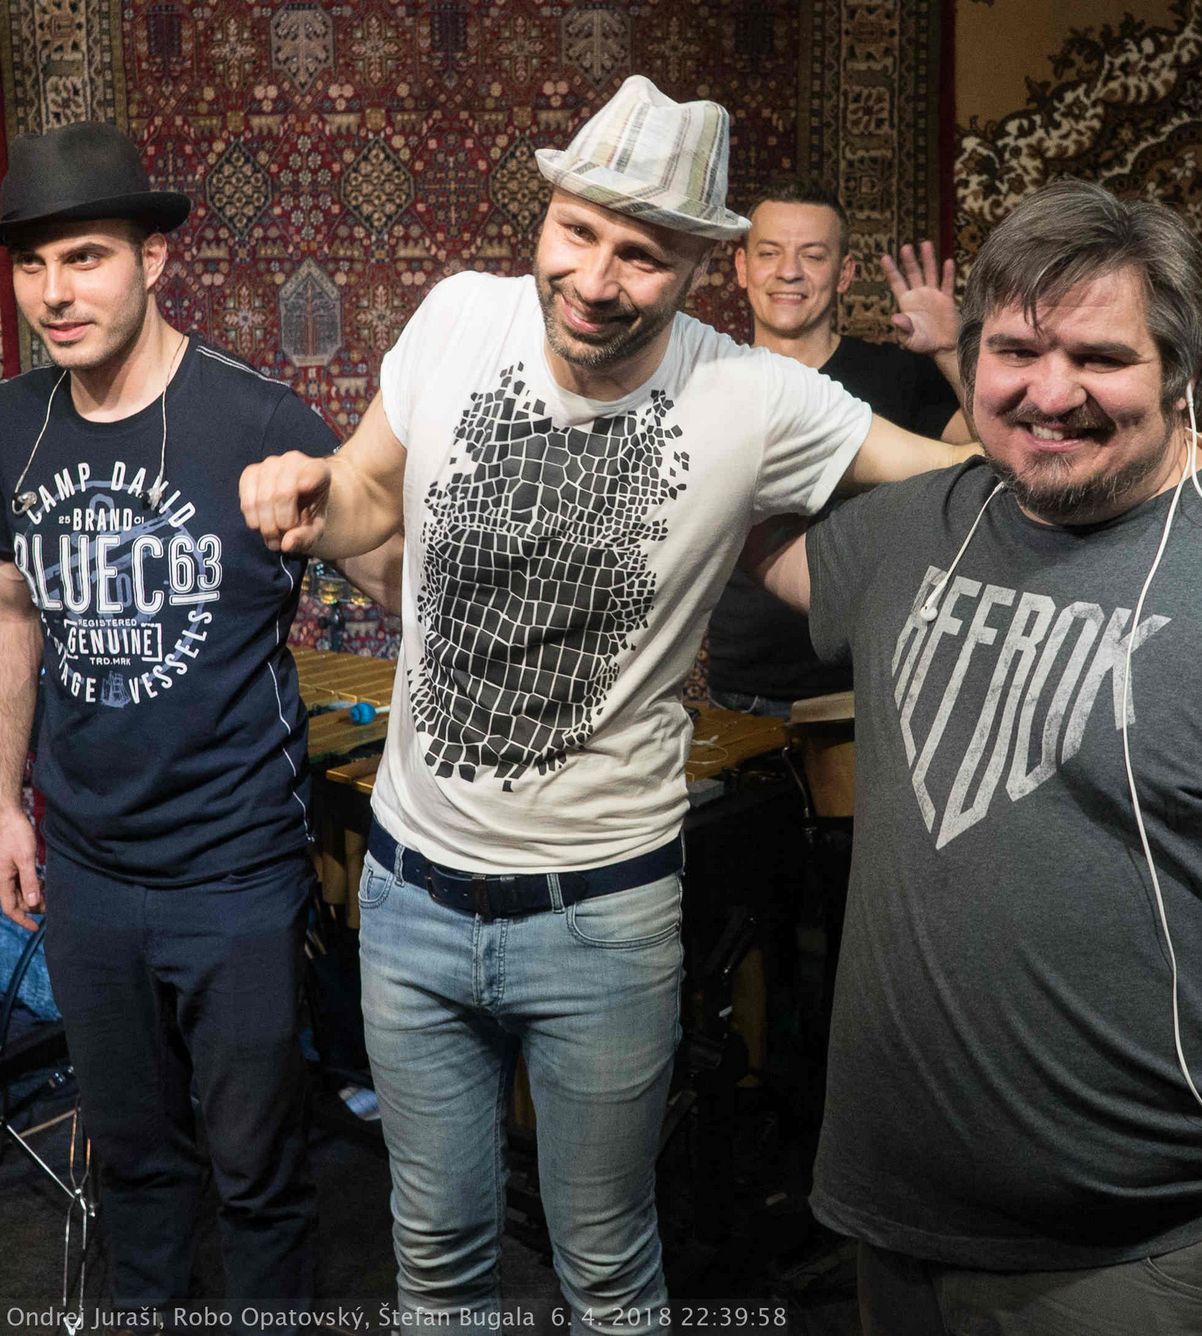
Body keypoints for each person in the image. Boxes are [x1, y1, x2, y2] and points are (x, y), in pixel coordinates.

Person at [236, 76, 994, 1331]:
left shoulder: (754, 397)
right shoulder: (457, 316)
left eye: (639, 254)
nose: (592, 278)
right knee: (434, 1255)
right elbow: (371, 488)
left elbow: (949, 476)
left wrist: (1136, 455)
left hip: (600, 918)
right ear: (544, 215)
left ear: (700, 266)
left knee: (603, 1265)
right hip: (411, 898)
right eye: (575, 231)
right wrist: (318, 498)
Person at [747, 178, 1202, 1335]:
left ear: (1182, 372)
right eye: (1014, 350)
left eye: (1098, 356)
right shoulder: (924, 523)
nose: (1049, 392)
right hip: (895, 1224)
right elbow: (727, 514)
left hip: (1144, 1259)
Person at [0, 121, 339, 1328]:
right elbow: (5, 608)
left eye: (85, 257)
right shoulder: (9, 423)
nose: (54, 294)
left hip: (237, 866)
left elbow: (392, 567)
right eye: (32, 265)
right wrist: (6, 808)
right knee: (133, 1161)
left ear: (153, 258)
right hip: (91, 871)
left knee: (258, 1170)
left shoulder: (259, 417)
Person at [708, 177, 970, 717]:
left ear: (845, 273)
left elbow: (995, 449)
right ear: (742, 268)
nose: (789, 271)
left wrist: (951, 349)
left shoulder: (898, 373)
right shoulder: (708, 381)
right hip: (742, 690)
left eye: (813, 255)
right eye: (769, 253)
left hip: (872, 690)